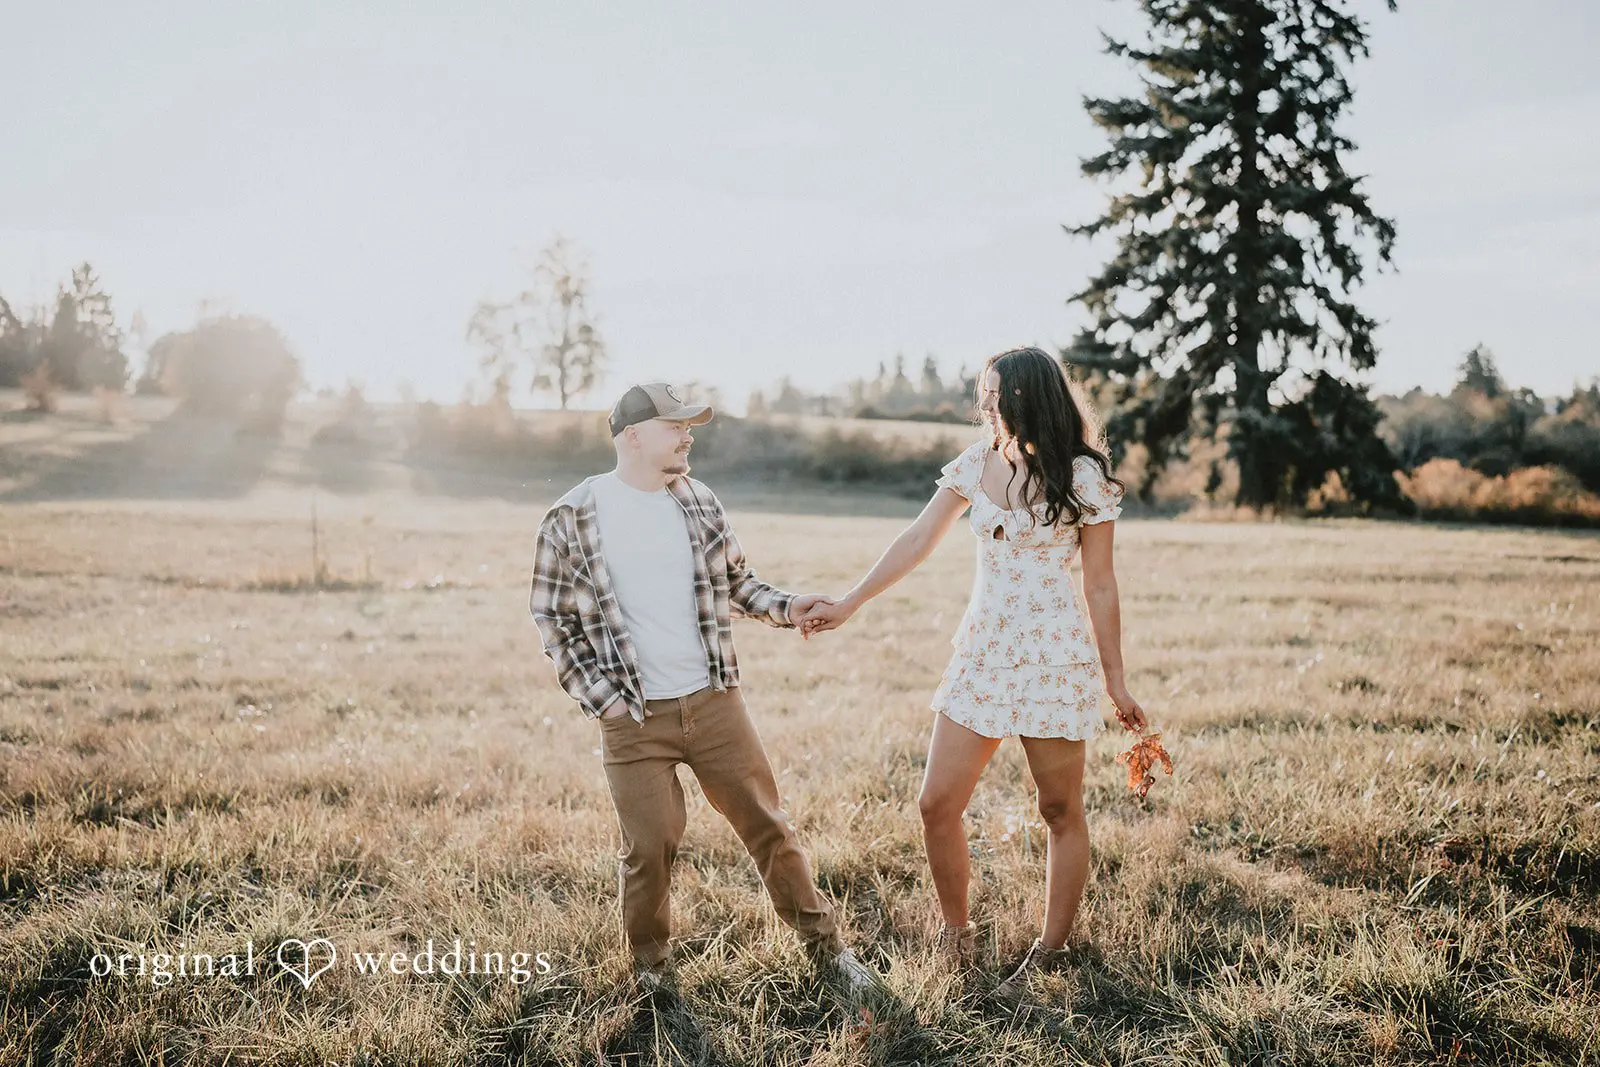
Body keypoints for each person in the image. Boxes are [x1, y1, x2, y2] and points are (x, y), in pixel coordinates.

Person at [798, 347, 1151, 996]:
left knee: (1059, 806)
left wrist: (1116, 681)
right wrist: (847, 602)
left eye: (996, 394)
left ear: (1029, 398)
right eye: (983, 394)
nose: (985, 404)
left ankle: (1049, 952)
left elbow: (1100, 586)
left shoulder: (1083, 477)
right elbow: (914, 540)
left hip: (1052, 660)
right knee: (936, 802)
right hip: (982, 654)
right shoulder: (975, 464)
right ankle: (956, 937)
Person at [529, 381, 876, 995]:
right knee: (649, 848)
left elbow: (738, 584)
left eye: (690, 426)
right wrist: (606, 701)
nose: (689, 436)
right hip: (634, 718)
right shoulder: (572, 517)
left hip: (715, 704)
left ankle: (829, 954)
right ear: (632, 436)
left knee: (770, 827)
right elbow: (552, 620)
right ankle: (653, 973)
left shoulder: (696, 501)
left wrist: (791, 606)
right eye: (676, 426)